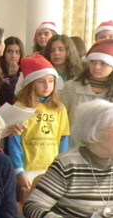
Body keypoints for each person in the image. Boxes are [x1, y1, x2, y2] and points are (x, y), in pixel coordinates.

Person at [9, 54, 70, 191]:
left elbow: (64, 139)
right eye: (41, 81)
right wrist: (19, 170)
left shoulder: (59, 108)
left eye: (50, 81)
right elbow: (14, 143)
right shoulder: (20, 107)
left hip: (53, 171)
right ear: (31, 83)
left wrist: (62, 167)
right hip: (28, 169)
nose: (47, 86)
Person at [61, 39, 113, 140]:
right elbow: (60, 119)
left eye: (103, 63)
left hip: (106, 148)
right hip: (73, 145)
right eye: (92, 62)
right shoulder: (71, 87)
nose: (96, 67)